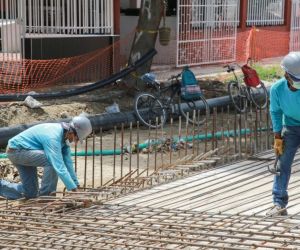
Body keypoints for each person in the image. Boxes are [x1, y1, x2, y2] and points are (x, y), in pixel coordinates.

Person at [0, 115, 92, 200]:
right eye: (76, 139)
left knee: (30, 193)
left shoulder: (64, 138)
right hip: (16, 151)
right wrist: (74, 191)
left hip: (26, 152)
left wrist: (76, 185)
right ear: (72, 132)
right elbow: (59, 166)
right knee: (51, 161)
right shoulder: (53, 137)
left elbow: (68, 164)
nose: (75, 142)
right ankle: (47, 197)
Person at [268, 51, 300, 216]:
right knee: (283, 164)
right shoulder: (277, 89)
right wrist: (277, 136)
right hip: (291, 127)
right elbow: (275, 112)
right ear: (286, 75)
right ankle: (279, 202)